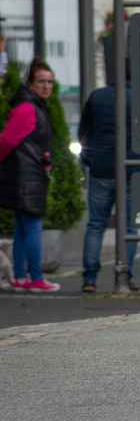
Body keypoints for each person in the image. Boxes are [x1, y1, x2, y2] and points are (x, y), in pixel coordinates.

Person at [78, 69, 140, 293]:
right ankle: (127, 275)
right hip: (132, 170)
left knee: (96, 225)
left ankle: (89, 278)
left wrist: (89, 159)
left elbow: (83, 132)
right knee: (130, 228)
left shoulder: (98, 96)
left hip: (101, 169)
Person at [0, 60, 61, 292]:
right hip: (27, 176)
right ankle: (34, 278)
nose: (47, 86)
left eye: (49, 82)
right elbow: (7, 140)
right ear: (30, 84)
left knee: (22, 229)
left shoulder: (32, 105)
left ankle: (21, 278)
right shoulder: (28, 108)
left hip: (23, 175)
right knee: (32, 227)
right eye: (41, 82)